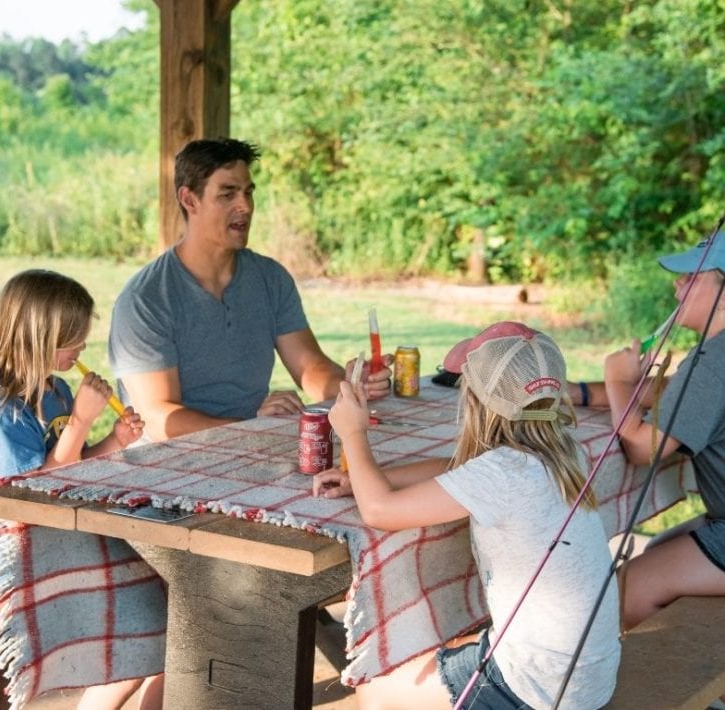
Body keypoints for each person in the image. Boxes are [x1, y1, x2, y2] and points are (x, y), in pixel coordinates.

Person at [313, 321, 620, 709]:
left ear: (477, 401)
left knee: (372, 691)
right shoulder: (562, 453)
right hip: (586, 678)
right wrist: (361, 476)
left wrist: (354, 435)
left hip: (535, 687)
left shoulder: (502, 474)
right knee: (443, 646)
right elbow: (458, 467)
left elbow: (378, 511)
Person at [108, 137, 391, 442]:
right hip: (170, 463)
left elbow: (310, 368)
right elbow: (158, 419)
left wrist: (349, 386)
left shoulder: (270, 278)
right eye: (228, 194)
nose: (244, 206)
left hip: (254, 442)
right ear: (190, 200)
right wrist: (247, 425)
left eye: (248, 192)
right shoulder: (145, 299)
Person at [0, 269, 158, 710]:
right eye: (73, 339)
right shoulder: (5, 406)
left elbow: (70, 466)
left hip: (56, 529)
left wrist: (114, 440)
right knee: (145, 611)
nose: (82, 348)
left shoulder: (56, 390)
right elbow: (32, 491)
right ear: (40, 337)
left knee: (156, 596)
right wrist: (81, 419)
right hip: (11, 544)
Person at [572, 230, 725, 630]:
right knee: (658, 547)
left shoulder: (713, 360)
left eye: (692, 277)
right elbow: (677, 395)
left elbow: (643, 447)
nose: (677, 283)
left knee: (625, 594)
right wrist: (580, 392)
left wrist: (619, 383)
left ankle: (706, 684)